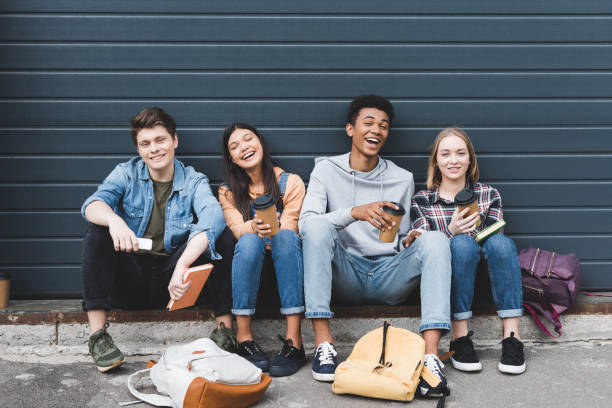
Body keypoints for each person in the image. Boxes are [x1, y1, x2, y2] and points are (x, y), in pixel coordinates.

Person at [299, 95, 452, 397]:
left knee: (435, 238)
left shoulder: (402, 178)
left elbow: (402, 234)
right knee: (316, 225)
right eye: (368, 123)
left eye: (383, 126)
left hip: (388, 275)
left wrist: (407, 241)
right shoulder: (325, 170)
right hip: (346, 273)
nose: (376, 130)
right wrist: (353, 213)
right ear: (350, 129)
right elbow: (305, 224)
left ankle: (431, 358)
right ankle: (323, 344)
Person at [80, 107, 235, 373]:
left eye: (160, 140)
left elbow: (213, 217)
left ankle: (226, 332)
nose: (154, 149)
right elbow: (91, 205)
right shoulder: (126, 173)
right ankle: (98, 338)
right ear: (139, 150)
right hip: (131, 281)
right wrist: (115, 221)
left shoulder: (193, 180)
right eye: (145, 143)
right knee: (97, 232)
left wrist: (182, 265)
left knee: (222, 237)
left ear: (174, 141)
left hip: (174, 285)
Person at [410, 127, 526, 374]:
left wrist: (476, 232)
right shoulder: (422, 200)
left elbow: (495, 242)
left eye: (461, 153)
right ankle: (459, 337)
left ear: (470, 159)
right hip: (452, 277)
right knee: (459, 243)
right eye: (446, 154)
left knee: (502, 243)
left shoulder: (488, 194)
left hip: (487, 272)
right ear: (436, 161)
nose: (453, 160)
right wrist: (451, 232)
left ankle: (512, 338)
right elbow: (425, 245)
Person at [218, 123, 307, 377]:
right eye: (234, 146)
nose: (243, 147)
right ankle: (244, 339)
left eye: (248, 139)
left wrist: (274, 228)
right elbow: (236, 229)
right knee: (248, 240)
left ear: (261, 143)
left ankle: (294, 341)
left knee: (286, 237)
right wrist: (253, 227)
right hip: (249, 282)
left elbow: (292, 227)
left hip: (288, 277)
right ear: (232, 159)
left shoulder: (291, 182)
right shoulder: (227, 192)